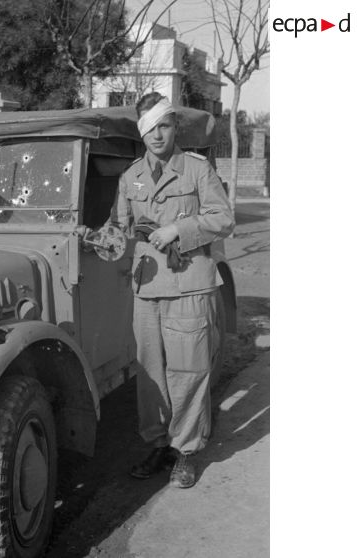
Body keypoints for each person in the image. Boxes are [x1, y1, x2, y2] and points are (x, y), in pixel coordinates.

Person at [109, 92, 234, 488]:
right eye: (150, 129)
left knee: (189, 370)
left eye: (164, 126)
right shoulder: (131, 177)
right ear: (142, 133)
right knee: (150, 375)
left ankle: (186, 451)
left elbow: (223, 218)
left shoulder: (196, 170)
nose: (157, 135)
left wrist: (178, 229)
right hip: (146, 289)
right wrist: (104, 239)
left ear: (175, 126)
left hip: (189, 287)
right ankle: (159, 443)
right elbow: (122, 227)